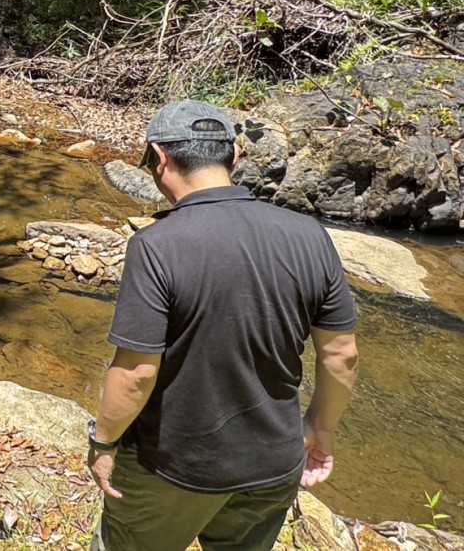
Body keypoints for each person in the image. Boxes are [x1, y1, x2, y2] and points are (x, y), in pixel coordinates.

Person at [87, 100, 359, 551]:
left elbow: (136, 373)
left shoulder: (155, 246)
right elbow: (342, 355)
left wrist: (103, 442)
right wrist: (320, 427)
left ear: (160, 158)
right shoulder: (310, 234)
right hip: (273, 464)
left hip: (173, 467)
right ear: (234, 156)